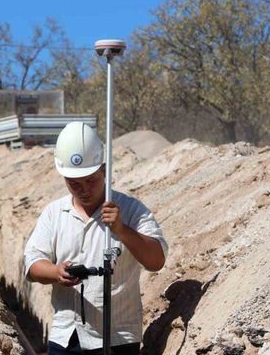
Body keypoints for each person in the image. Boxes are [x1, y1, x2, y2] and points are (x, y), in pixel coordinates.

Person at [24, 122, 168, 354]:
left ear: (104, 170)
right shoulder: (53, 213)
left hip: (118, 339)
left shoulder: (131, 210)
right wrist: (56, 272)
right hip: (66, 338)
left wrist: (122, 229)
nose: (84, 189)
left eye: (91, 180)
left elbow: (156, 261)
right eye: (74, 184)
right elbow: (32, 264)